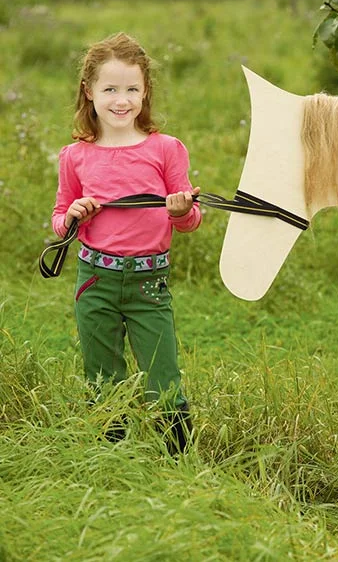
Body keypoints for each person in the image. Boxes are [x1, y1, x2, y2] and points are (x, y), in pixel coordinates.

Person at [51, 32, 200, 454]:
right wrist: (74, 215)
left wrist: (178, 210)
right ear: (90, 91)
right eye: (110, 89)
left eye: (132, 89)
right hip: (95, 281)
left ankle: (179, 464)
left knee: (163, 375)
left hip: (149, 285)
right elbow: (60, 220)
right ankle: (113, 460)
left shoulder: (166, 150)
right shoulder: (75, 156)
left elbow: (190, 220)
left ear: (145, 91)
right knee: (102, 376)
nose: (122, 100)